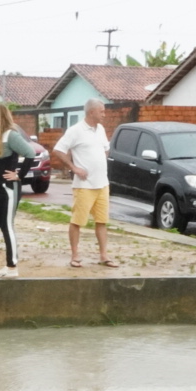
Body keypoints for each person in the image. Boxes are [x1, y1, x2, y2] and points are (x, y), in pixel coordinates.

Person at [50, 99, 117, 268]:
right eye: (101, 111)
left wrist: (100, 159)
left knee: (101, 221)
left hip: (102, 183)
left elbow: (105, 148)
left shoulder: (100, 129)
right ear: (91, 112)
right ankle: (75, 255)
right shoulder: (76, 131)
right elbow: (58, 150)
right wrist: (74, 167)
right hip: (84, 185)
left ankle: (103, 255)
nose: (104, 114)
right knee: (78, 220)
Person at [0, 103, 39, 278]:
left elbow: (30, 152)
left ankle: (12, 266)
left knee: (6, 226)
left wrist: (19, 174)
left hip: (6, 190)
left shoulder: (11, 135)